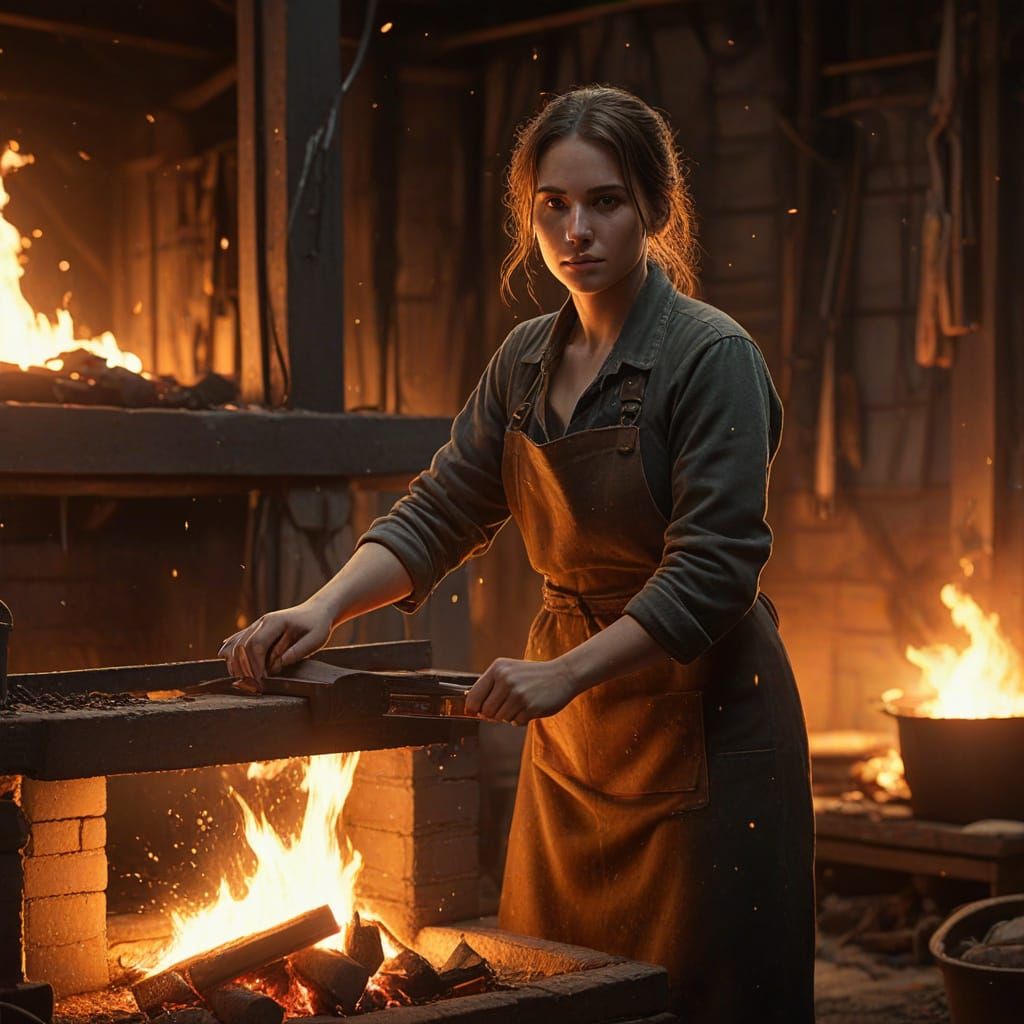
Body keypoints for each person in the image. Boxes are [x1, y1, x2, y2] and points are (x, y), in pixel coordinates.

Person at [220, 84, 815, 1022]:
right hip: (576, 735)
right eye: (554, 205)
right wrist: (322, 608)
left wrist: (564, 673)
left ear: (654, 210)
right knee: (562, 985)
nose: (577, 229)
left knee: (704, 993)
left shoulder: (712, 359)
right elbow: (444, 508)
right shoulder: (526, 361)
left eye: (605, 202)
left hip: (705, 723)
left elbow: (714, 571)